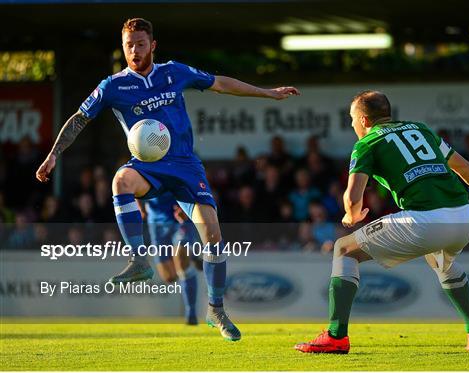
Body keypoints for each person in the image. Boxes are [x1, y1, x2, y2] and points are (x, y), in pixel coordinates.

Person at [35, 17, 299, 341]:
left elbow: (221, 83)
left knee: (213, 237)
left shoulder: (174, 72)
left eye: (140, 44)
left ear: (153, 45)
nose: (134, 51)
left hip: (186, 165)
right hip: (148, 166)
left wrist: (268, 93)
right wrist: (53, 155)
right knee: (121, 182)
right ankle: (137, 259)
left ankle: (215, 309)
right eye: (128, 45)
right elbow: (79, 119)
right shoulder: (112, 86)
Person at [295, 90, 469, 354]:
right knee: (441, 261)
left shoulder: (367, 143)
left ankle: (336, 336)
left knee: (343, 249)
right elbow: (463, 166)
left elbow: (352, 197)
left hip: (425, 221)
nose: (351, 125)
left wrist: (351, 214)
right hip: (464, 218)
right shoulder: (421, 129)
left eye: (351, 119)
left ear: (364, 120)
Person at [142, 193, 200, 325]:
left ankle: (191, 313)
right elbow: (132, 183)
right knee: (169, 277)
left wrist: (191, 206)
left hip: (179, 216)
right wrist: (139, 206)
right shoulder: (142, 171)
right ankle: (192, 254)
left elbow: (198, 183)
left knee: (181, 260)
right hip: (156, 221)